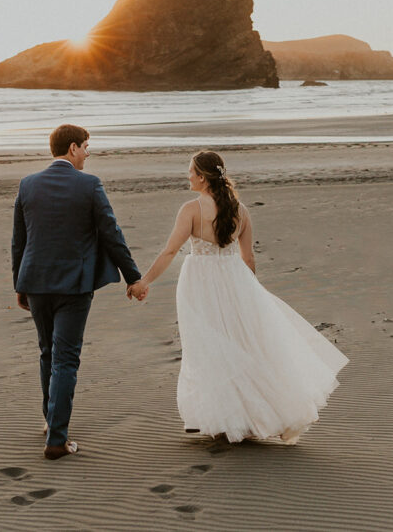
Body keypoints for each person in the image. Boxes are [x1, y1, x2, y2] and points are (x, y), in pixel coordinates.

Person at [138, 151, 348, 443]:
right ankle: (243, 416)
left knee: (207, 345)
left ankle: (222, 417)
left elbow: (170, 251)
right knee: (240, 342)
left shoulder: (191, 209)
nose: (187, 176)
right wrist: (248, 293)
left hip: (199, 282)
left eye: (190, 171)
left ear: (202, 176)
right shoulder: (241, 211)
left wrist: (144, 281)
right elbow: (248, 259)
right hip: (234, 280)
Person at [12, 124, 147, 460]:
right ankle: (57, 439)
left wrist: (19, 284)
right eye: (86, 147)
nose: (88, 153)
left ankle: (51, 420)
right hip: (74, 285)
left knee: (48, 352)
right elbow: (111, 233)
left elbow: (19, 241)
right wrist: (133, 276)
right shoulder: (89, 185)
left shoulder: (28, 185)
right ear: (72, 148)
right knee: (66, 359)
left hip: (37, 283)